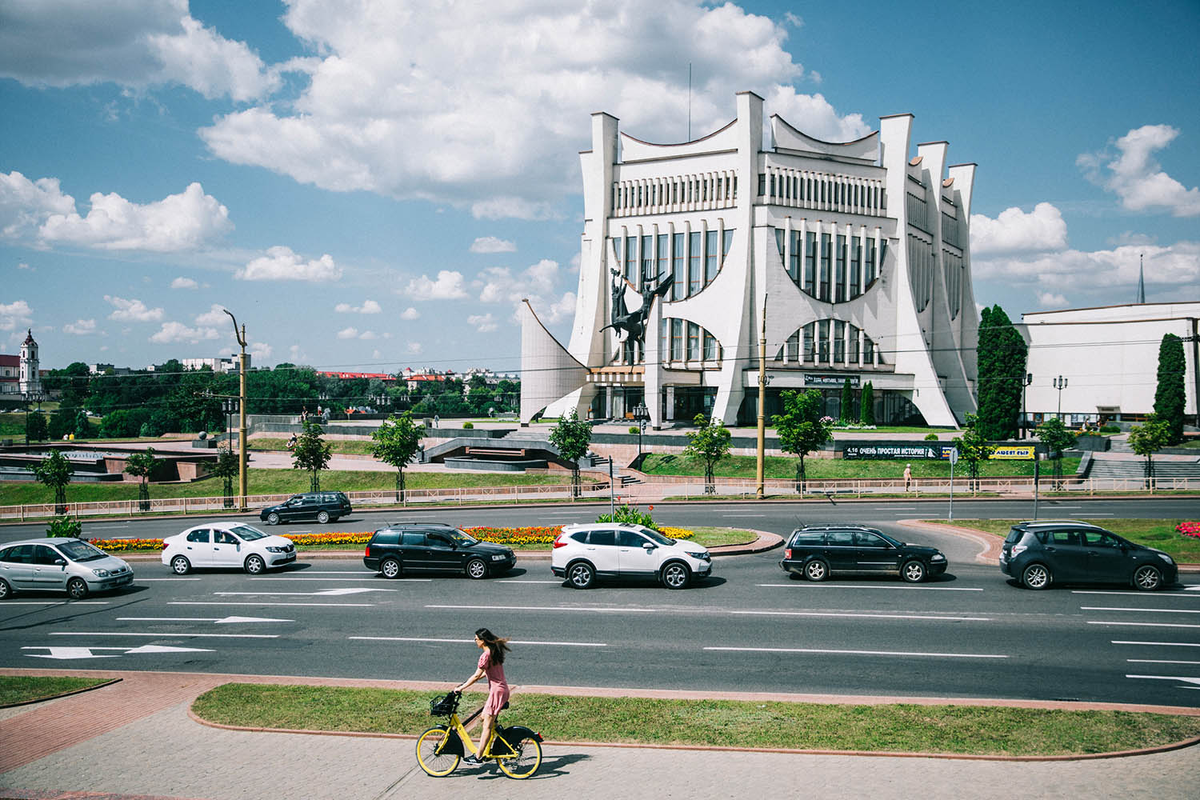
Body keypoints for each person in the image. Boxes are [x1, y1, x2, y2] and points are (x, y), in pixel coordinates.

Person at [454, 628, 511, 764]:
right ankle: (496, 740)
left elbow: (476, 675)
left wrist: (461, 688)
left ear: (482, 640)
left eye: (476, 639)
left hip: (496, 692)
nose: (475, 641)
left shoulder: (485, 655)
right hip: (502, 690)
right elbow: (489, 672)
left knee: (486, 726)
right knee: (484, 717)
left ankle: (478, 756)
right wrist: (479, 678)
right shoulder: (494, 652)